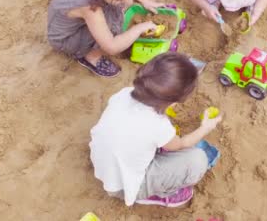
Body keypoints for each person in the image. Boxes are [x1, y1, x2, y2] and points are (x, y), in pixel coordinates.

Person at [89, 52, 223, 207]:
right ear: (172, 102)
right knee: (197, 159)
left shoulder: (124, 93)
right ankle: (157, 194)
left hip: (105, 165)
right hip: (124, 186)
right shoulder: (158, 125)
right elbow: (180, 144)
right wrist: (205, 128)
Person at [47, 0, 163, 77]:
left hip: (75, 20)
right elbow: (111, 47)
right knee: (113, 24)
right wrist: (139, 28)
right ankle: (91, 58)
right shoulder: (89, 6)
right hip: (66, 39)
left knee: (122, 6)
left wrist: (144, 0)